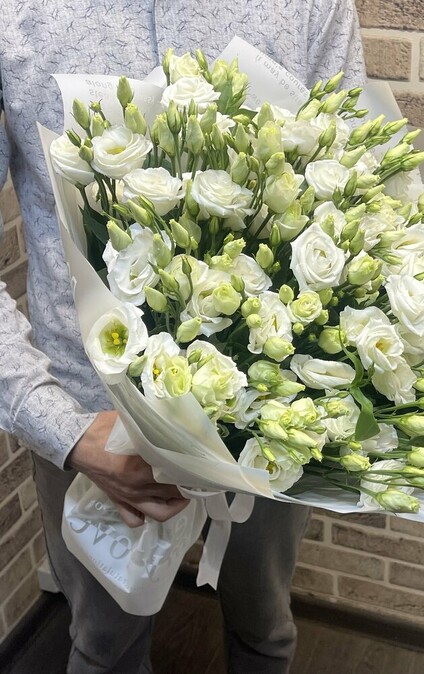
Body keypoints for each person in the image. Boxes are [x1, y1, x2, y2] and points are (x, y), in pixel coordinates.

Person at [0, 2, 366, 672]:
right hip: (89, 411)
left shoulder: (311, 7)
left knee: (264, 627)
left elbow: (355, 193)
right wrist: (58, 426)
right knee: (103, 647)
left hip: (271, 408)